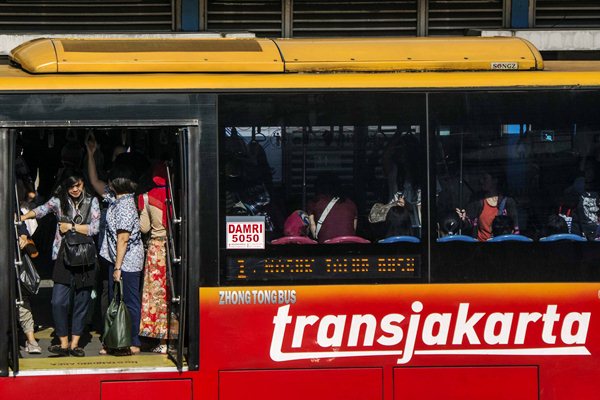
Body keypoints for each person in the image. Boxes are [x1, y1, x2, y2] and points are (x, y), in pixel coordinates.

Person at [20, 170, 100, 357]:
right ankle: (63, 341)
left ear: (83, 183)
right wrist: (24, 217)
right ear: (65, 186)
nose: (75, 189)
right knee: (58, 301)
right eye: (71, 186)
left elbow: (95, 229)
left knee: (82, 300)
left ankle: (75, 343)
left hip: (85, 257)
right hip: (63, 255)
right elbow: (42, 210)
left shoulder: (92, 201)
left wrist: (70, 227)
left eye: (78, 185)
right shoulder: (58, 200)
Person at [86, 138, 144, 355]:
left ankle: (133, 341)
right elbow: (94, 181)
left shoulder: (126, 205)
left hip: (127, 262)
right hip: (115, 259)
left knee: (128, 301)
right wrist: (91, 154)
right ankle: (114, 339)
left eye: (110, 179)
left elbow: (123, 239)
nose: (107, 181)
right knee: (114, 300)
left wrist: (118, 268)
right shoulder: (115, 199)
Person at [138, 162, 170, 354]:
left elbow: (144, 228)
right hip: (173, 248)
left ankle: (160, 337)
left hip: (156, 248)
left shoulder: (147, 197)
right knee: (169, 294)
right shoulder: (177, 195)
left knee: (155, 295)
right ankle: (171, 339)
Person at [456, 172, 519, 242]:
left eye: (485, 178)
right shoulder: (477, 201)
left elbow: (515, 229)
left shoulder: (508, 202)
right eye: (481, 178)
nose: (481, 181)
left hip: (502, 246)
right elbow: (469, 223)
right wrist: (464, 219)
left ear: (495, 180)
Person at [307, 172, 357, 243]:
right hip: (348, 249)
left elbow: (314, 232)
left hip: (327, 250)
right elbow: (353, 230)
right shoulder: (351, 204)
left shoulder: (314, 203)